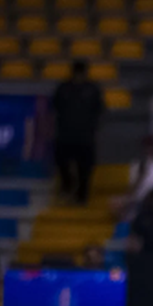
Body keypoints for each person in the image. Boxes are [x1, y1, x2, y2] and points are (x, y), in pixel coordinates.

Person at [51, 60, 105, 205]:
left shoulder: (93, 89)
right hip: (65, 135)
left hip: (85, 137)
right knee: (61, 162)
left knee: (85, 168)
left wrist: (92, 127)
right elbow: (54, 107)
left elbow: (99, 110)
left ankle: (82, 196)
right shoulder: (63, 88)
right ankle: (67, 185)